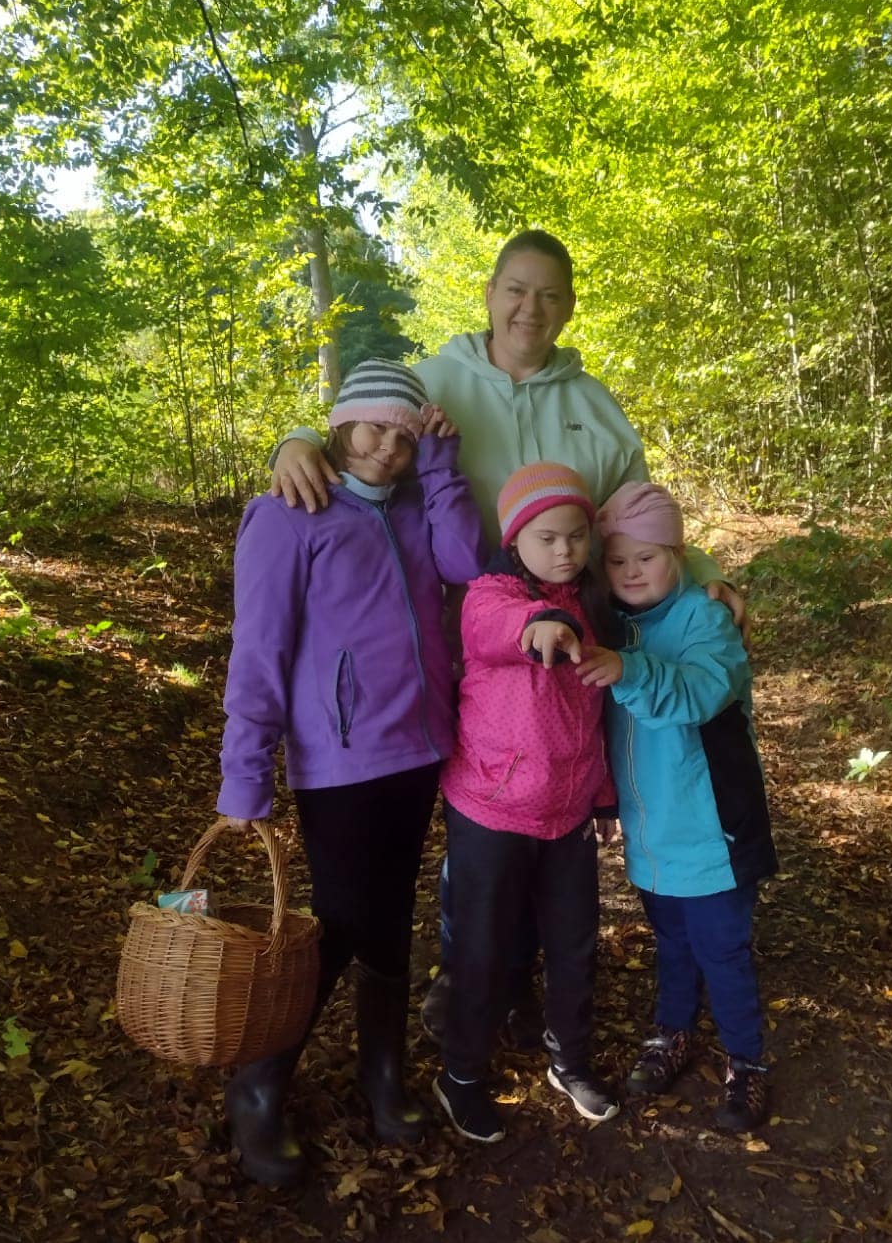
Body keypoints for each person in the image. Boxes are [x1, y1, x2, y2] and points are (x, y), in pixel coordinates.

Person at [268, 230, 746, 1044]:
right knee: (482, 816)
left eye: (550, 294)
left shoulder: (594, 406)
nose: (532, 307)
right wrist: (292, 442)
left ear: (569, 307)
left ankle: (528, 983)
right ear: (490, 294)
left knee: (552, 801)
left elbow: (637, 514)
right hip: (465, 644)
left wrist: (702, 570)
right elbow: (360, 427)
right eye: (517, 289)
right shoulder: (437, 381)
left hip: (573, 646)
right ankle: (469, 979)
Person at [216, 360, 485, 1186]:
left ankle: (382, 1075)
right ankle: (259, 1082)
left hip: (418, 746)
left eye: (405, 438)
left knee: (391, 915)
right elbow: (259, 650)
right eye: (373, 429)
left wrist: (441, 463)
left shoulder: (413, 502)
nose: (387, 449)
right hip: (337, 755)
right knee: (337, 920)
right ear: (338, 425)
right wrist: (245, 773)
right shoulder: (286, 514)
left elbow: (466, 563)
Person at [577, 482, 778, 1132]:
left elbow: (700, 693)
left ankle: (747, 1062)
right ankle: (673, 1032)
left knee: (723, 950)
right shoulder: (615, 625)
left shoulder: (705, 618)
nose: (632, 572)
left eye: (648, 557)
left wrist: (628, 669)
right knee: (672, 941)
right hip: (652, 830)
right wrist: (605, 800)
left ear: (679, 555)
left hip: (713, 828)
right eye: (618, 560)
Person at [432, 463, 620, 1144]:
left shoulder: (594, 605)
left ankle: (569, 1061)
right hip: (491, 807)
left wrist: (603, 798)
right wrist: (540, 623)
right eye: (548, 538)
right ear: (515, 540)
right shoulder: (488, 596)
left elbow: (593, 718)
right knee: (481, 947)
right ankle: (461, 1075)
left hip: (568, 814)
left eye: (576, 536)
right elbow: (497, 628)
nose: (565, 550)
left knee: (573, 946)